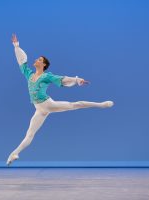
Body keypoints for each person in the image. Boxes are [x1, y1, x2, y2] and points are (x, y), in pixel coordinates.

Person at [6, 34, 114, 166]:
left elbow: (62, 79)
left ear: (44, 64)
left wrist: (76, 79)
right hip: (39, 110)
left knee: (75, 105)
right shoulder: (29, 74)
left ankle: (101, 105)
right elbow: (22, 61)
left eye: (39, 60)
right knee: (29, 134)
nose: (36, 60)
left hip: (48, 104)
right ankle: (14, 154)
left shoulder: (47, 76)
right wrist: (16, 46)